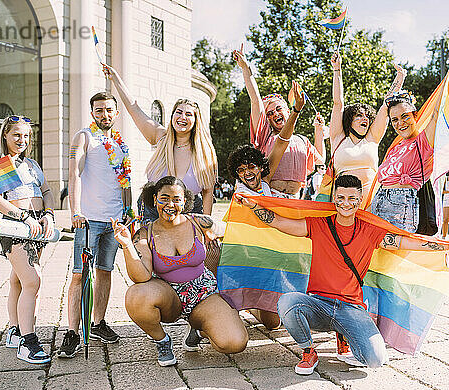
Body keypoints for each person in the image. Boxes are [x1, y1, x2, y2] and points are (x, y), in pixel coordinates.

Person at [234, 174, 449, 375]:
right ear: (334, 198)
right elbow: (278, 222)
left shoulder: (369, 230)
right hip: (318, 303)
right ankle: (308, 351)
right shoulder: (319, 224)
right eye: (340, 198)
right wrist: (252, 205)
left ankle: (344, 334)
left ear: (359, 199)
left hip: (351, 307)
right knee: (287, 301)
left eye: (351, 198)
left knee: (375, 360)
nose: (345, 203)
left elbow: (403, 242)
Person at [112, 176, 248, 366]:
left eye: (176, 199)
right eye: (164, 198)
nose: (170, 204)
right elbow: (140, 276)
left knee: (235, 342)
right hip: (169, 296)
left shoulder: (200, 222)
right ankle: (162, 341)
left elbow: (236, 232)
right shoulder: (145, 233)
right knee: (136, 295)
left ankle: (198, 330)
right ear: (154, 200)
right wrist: (127, 245)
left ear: (185, 202)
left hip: (204, 293)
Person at [223, 81, 304, 329]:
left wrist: (296, 111)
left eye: (252, 167)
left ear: (261, 168)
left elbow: (281, 141)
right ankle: (223, 311)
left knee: (273, 323)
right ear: (236, 174)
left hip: (269, 255)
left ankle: (256, 308)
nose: (248, 173)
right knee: (236, 296)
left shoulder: (266, 183)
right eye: (241, 170)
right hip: (246, 258)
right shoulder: (241, 193)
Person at [371, 34, 449, 232]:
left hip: (402, 211)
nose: (399, 123)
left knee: (394, 259)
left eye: (405, 116)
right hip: (378, 205)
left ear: (415, 115)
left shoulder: (423, 141)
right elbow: (386, 106)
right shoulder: (395, 146)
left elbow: (438, 110)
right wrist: (399, 80)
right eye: (395, 119)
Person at [102, 64, 218, 219]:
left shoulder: (204, 150)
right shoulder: (161, 137)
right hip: (153, 209)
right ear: (172, 116)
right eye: (179, 112)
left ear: (196, 121)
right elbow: (134, 109)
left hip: (189, 213)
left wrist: (206, 225)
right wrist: (115, 79)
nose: (182, 117)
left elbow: (208, 192)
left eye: (188, 114)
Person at [58, 92, 125, 358]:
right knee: (79, 274)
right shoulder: (83, 137)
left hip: (114, 220)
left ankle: (98, 323)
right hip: (89, 219)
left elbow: (124, 181)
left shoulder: (120, 143)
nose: (104, 115)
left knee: (105, 271)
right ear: (92, 112)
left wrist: (127, 211)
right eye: (99, 110)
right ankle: (73, 332)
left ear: (116, 113)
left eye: (109, 110)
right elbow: (74, 174)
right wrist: (75, 211)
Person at [0, 116, 55, 364]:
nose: (22, 140)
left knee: (18, 279)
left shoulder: (31, 164)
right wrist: (25, 217)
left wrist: (48, 215)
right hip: (16, 229)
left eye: (26, 136)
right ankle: (28, 343)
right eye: (17, 134)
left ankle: (15, 331)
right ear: (5, 135)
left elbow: (46, 191)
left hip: (37, 229)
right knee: (33, 281)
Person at [233, 44, 325, 198]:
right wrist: (245, 68)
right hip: (270, 195)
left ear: (288, 111)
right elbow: (255, 101)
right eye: (269, 113)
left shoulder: (302, 140)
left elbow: (320, 159)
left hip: (295, 198)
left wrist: (319, 130)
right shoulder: (266, 136)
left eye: (278, 109)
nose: (274, 114)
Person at [329, 53, 406, 205]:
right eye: (359, 115)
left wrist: (400, 78)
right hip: (343, 202)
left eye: (367, 116)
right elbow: (338, 103)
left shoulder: (372, 138)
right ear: (349, 120)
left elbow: (386, 105)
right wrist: (337, 70)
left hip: (372, 201)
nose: (365, 119)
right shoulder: (338, 138)